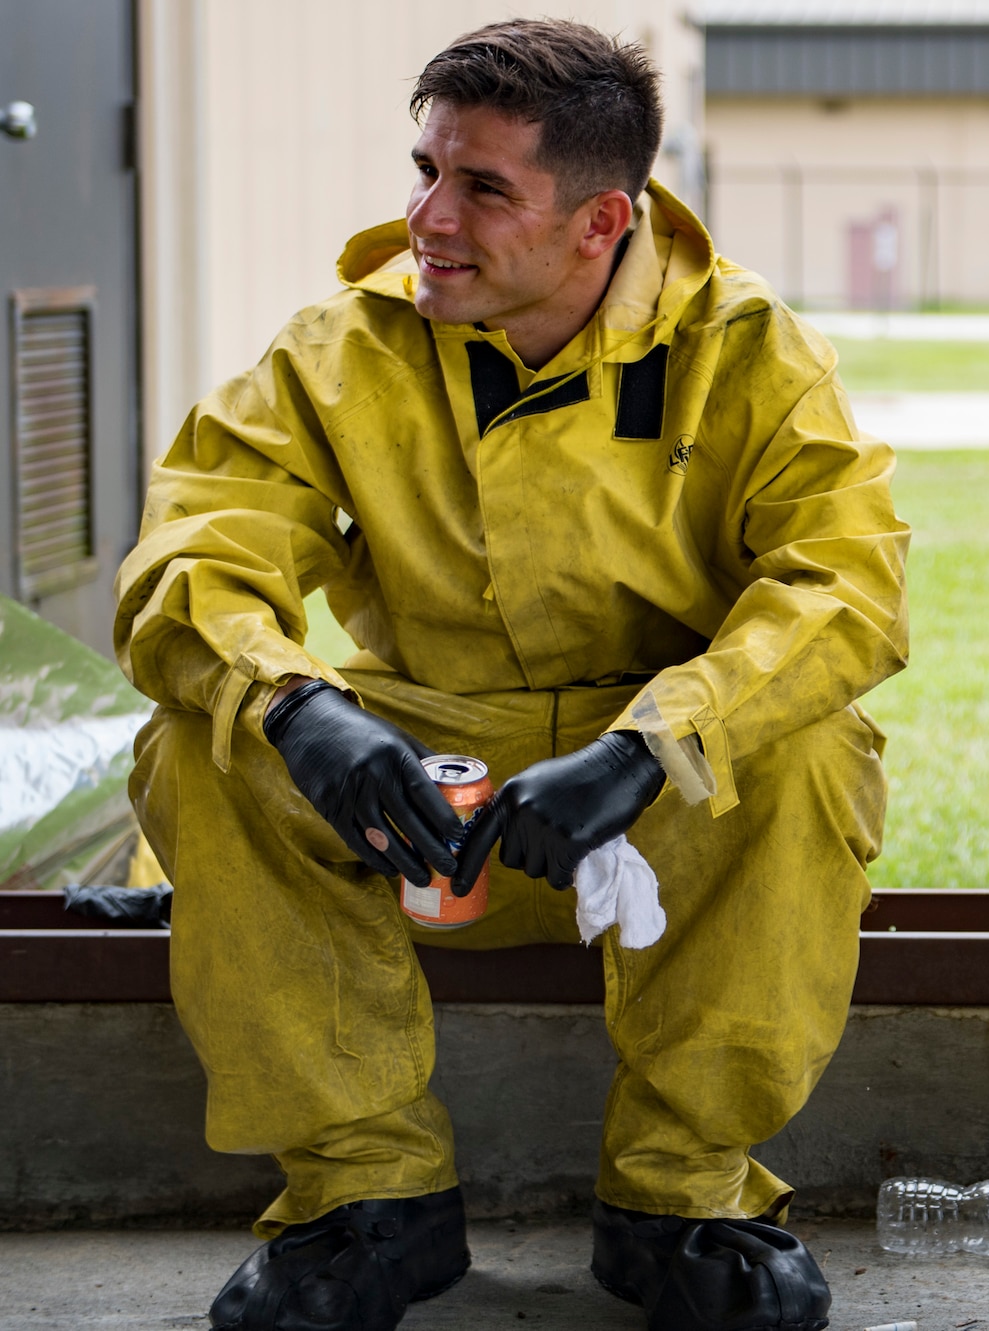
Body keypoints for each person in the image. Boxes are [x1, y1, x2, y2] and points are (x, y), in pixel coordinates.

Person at [114, 20, 907, 1331]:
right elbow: (200, 547)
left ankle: (686, 1201)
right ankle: (363, 1206)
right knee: (201, 734)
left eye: (482, 187)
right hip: (418, 787)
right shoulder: (337, 351)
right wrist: (302, 708)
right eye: (423, 169)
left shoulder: (751, 349)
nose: (426, 216)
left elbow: (843, 588)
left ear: (602, 223)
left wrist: (655, 742)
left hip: (652, 789)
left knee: (809, 739)